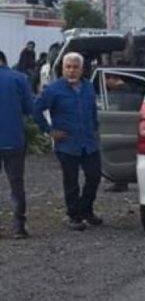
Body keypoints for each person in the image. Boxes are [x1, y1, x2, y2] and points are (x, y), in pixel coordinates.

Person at [34, 52, 103, 231]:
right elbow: (36, 110)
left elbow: (92, 111)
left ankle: (86, 210)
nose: (71, 71)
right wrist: (50, 131)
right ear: (63, 69)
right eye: (68, 67)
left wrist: (96, 129)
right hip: (67, 144)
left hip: (88, 142)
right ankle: (74, 216)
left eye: (75, 67)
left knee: (94, 176)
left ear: (82, 69)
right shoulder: (54, 89)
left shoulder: (88, 87)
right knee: (71, 181)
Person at [0, 50, 34, 238]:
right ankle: (18, 227)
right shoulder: (19, 78)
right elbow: (30, 108)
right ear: (4, 60)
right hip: (13, 139)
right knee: (16, 183)